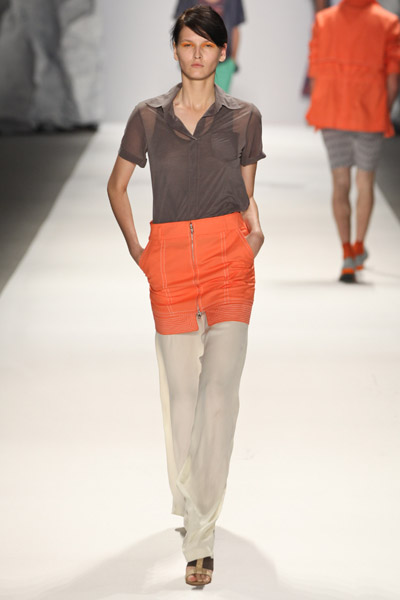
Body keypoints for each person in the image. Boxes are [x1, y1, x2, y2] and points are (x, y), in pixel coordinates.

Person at [107, 5, 265, 586]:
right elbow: (117, 186)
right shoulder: (147, 117)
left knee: (218, 399)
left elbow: (244, 193)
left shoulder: (244, 117)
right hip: (170, 263)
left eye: (207, 45)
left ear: (223, 52)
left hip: (228, 264)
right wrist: (140, 252)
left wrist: (252, 238)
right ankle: (194, 502)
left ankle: (200, 537)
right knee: (181, 402)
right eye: (187, 44)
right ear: (174, 50)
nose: (197, 54)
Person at [306, 0, 400, 282]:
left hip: (332, 113)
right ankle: (359, 246)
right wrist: (383, 111)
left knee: (340, 183)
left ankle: (347, 253)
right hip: (370, 113)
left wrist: (321, 105)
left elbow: (314, 73)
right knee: (365, 182)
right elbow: (393, 80)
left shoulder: (324, 21)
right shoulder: (388, 22)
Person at [173, 0, 245, 92]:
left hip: (224, 62)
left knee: (219, 97)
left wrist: (232, 61)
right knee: (195, 95)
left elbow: (235, 28)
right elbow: (180, 26)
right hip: (192, 60)